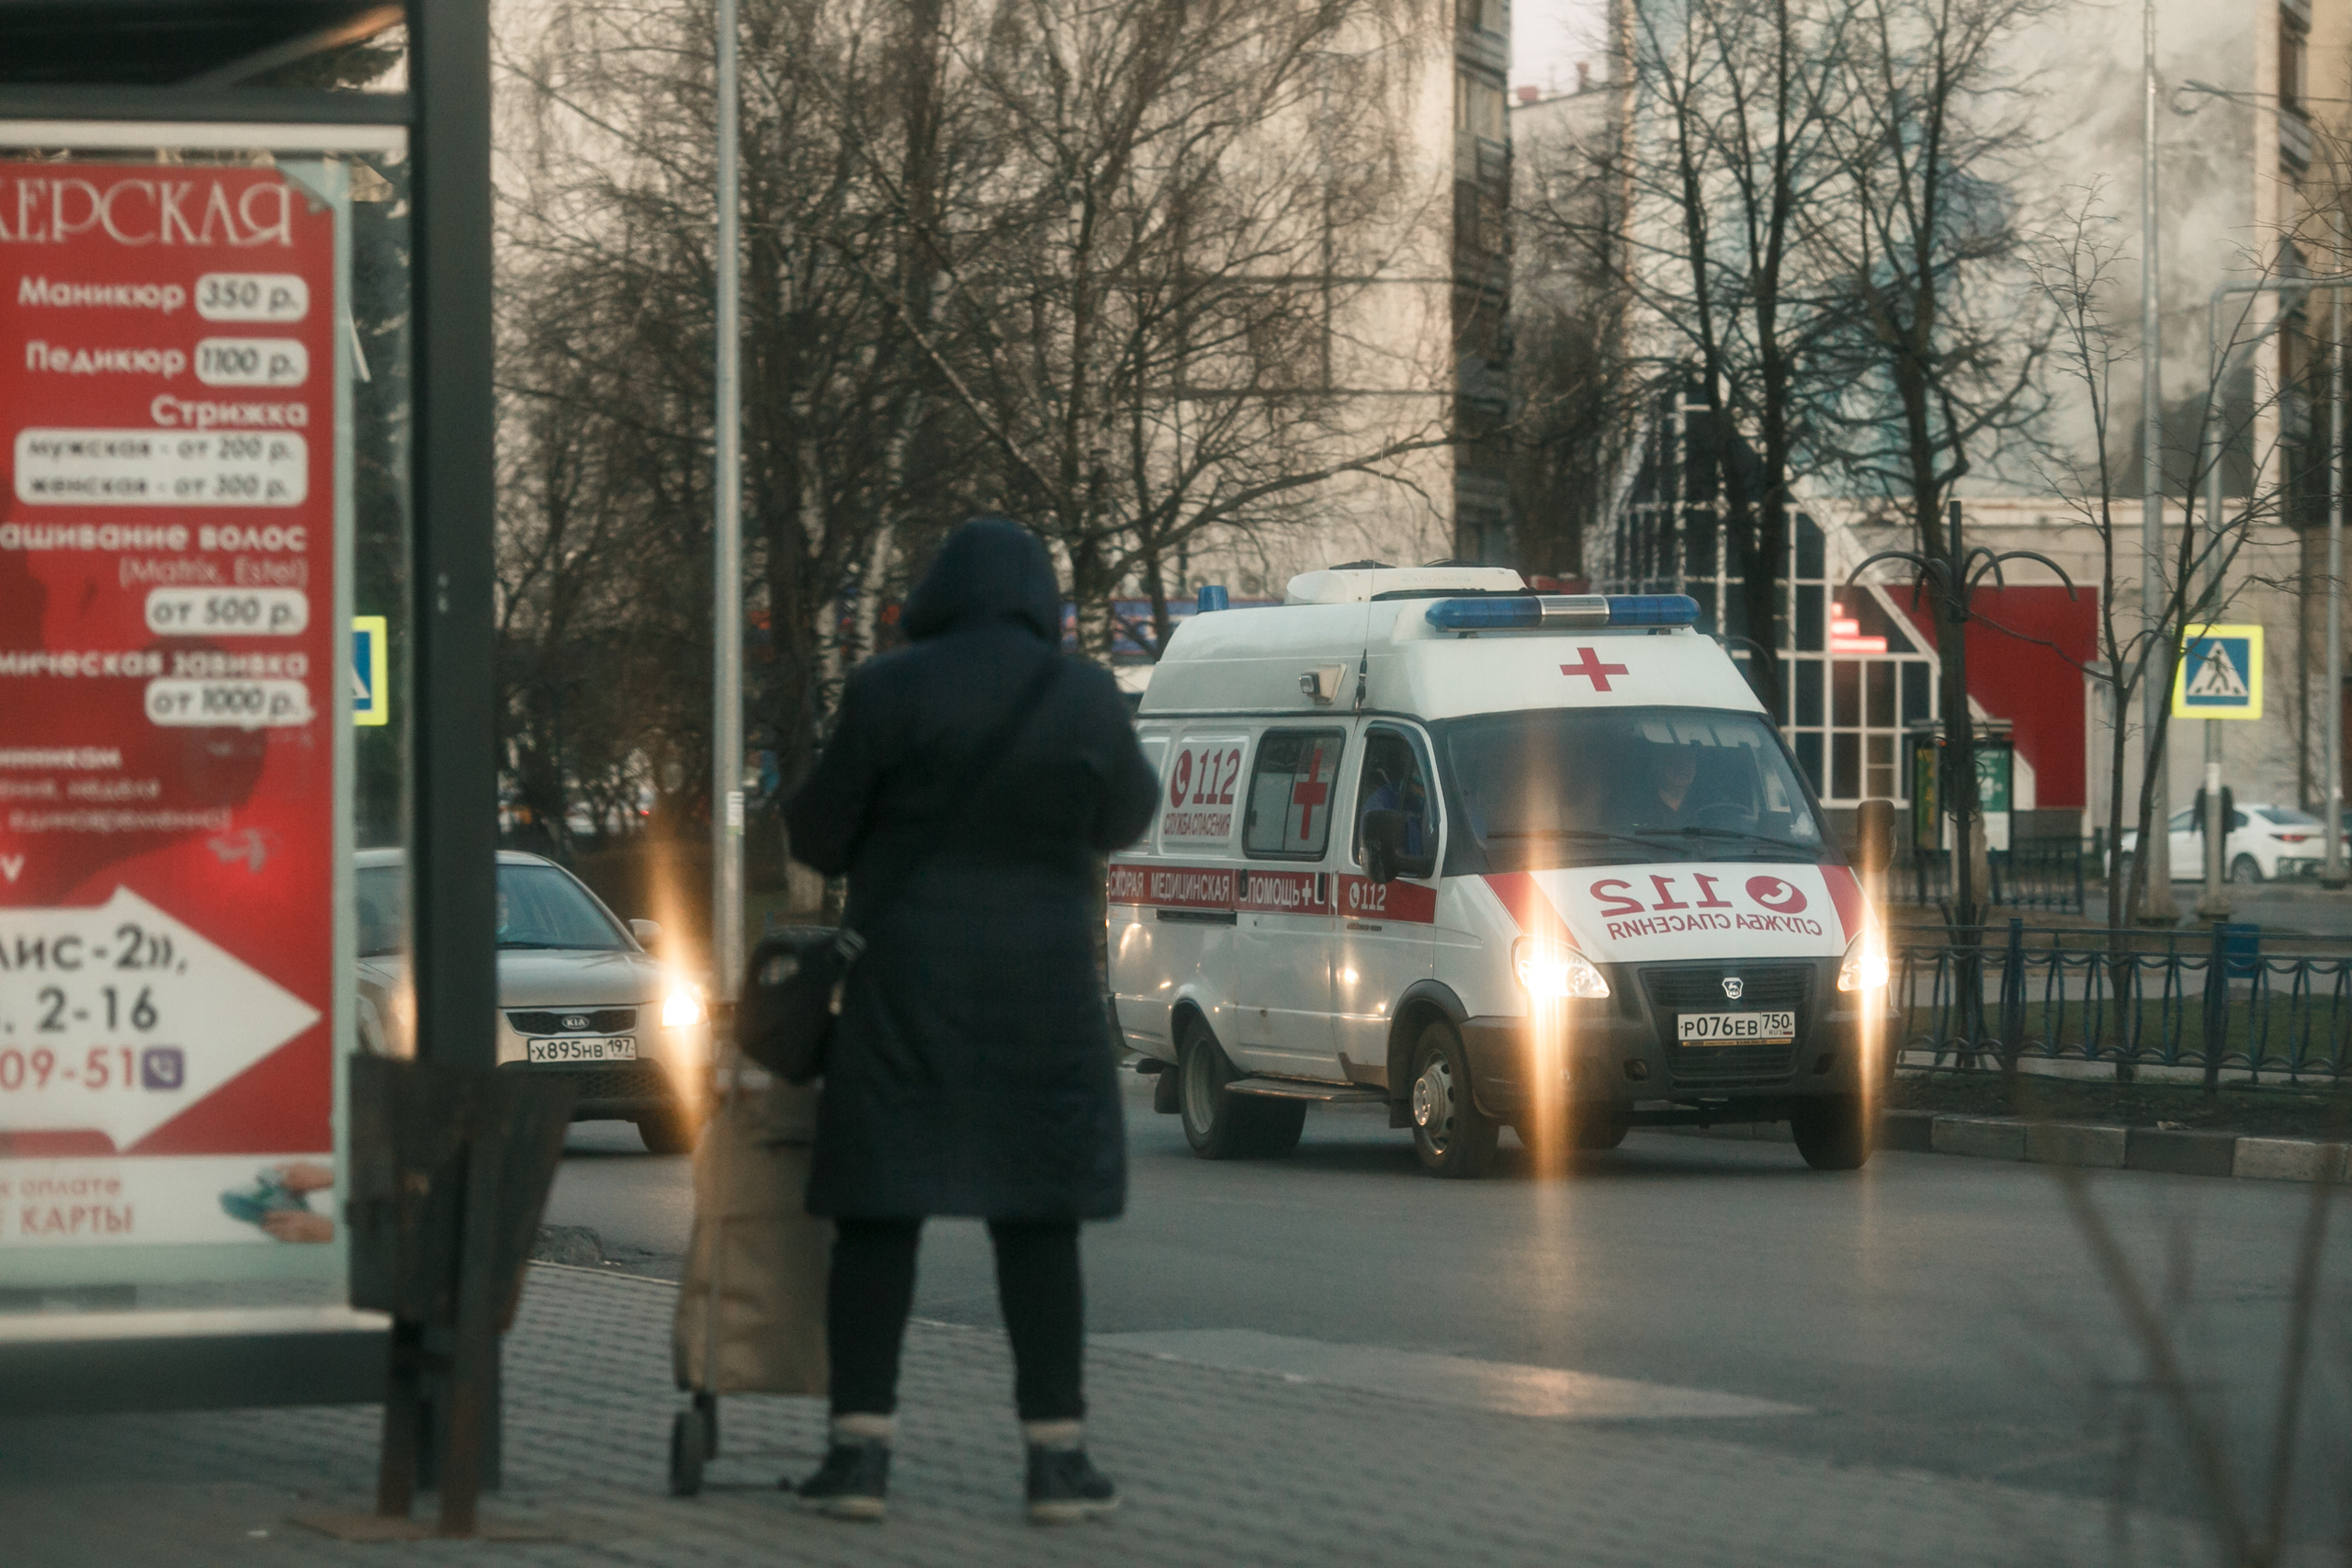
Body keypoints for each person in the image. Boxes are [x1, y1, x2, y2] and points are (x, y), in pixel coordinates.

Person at [782, 517, 1158, 1526]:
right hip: (1042, 998)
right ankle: (1056, 1462)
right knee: (1038, 1222)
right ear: (1039, 597)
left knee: (878, 1218)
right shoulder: (1079, 693)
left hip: (903, 988)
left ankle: (858, 1458)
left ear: (938, 591)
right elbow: (1128, 815)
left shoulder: (884, 689)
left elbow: (818, 831)